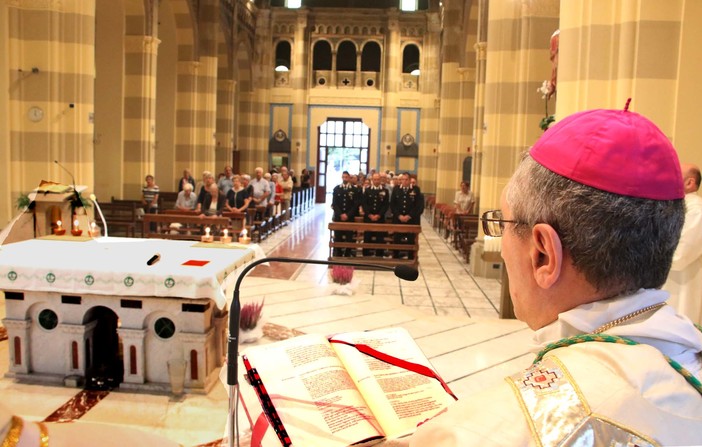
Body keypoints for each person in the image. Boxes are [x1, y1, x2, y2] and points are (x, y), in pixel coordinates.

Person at [409, 108, 702, 446]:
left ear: (543, 254)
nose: (502, 250)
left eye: (501, 223)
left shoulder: (479, 434)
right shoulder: (685, 359)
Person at [663, 163, 702, 325]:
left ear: (689, 183)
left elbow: (679, 257)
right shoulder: (677, 209)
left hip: (681, 289)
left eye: (676, 174)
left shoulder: (697, 213)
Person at [390, 172, 423, 259]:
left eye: (406, 179)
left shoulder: (416, 190)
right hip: (398, 220)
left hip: (411, 220)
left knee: (410, 240)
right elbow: (392, 205)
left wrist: (409, 216)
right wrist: (399, 216)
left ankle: (410, 258)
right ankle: (396, 257)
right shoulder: (396, 189)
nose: (404, 181)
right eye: (402, 179)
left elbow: (418, 206)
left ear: (409, 180)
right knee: (397, 239)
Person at [361, 172, 389, 257]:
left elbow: (385, 205)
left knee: (380, 237)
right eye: (375, 179)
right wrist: (369, 215)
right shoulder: (367, 190)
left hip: (379, 218)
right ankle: (366, 254)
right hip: (368, 218)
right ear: (372, 180)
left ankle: (379, 255)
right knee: (367, 237)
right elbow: (364, 204)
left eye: (378, 179)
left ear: (380, 180)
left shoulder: (385, 191)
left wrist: (378, 215)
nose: (376, 181)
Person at [331, 171, 358, 257]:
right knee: (338, 236)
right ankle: (338, 253)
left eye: (346, 177)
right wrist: (340, 214)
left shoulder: (354, 189)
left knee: (349, 237)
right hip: (339, 218)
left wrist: (348, 215)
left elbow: (355, 204)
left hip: (349, 218)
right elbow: (334, 204)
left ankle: (347, 253)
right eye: (343, 177)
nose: (345, 178)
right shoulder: (337, 189)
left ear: (349, 178)